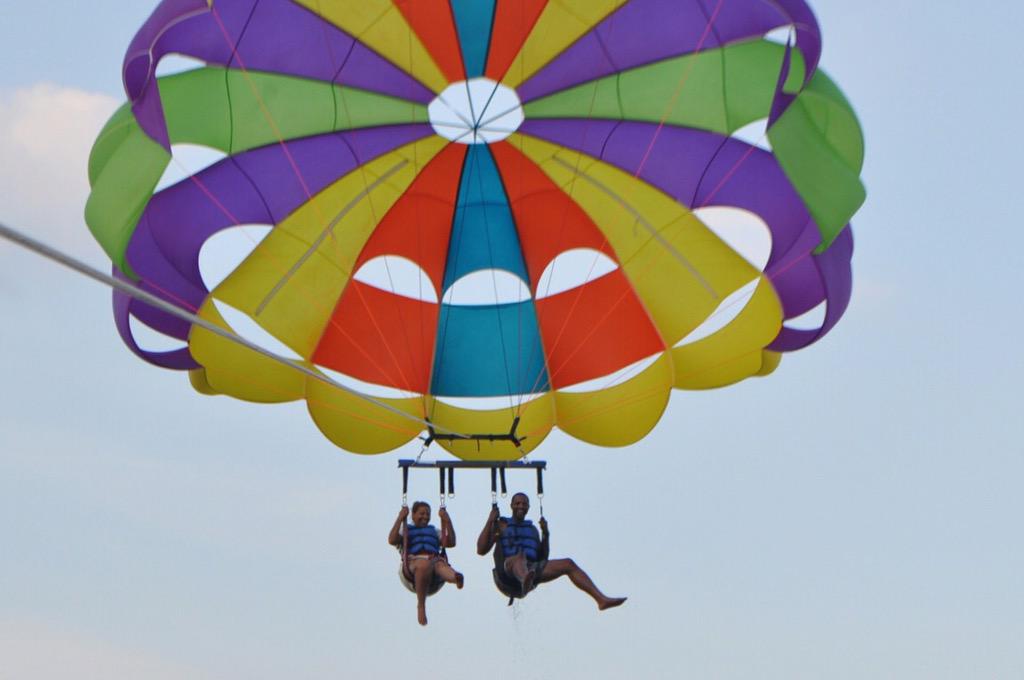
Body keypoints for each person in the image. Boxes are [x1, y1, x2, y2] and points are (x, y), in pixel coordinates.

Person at [476, 492, 626, 610]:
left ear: (528, 507)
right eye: (517, 503)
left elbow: (543, 557)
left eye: (524, 504)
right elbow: (481, 550)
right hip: (508, 575)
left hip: (531, 570)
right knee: (519, 557)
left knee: (568, 564)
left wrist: (546, 534)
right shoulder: (502, 524)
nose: (521, 506)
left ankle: (601, 600)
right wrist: (490, 520)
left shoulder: (533, 529)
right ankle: (524, 580)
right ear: (511, 505)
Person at [388, 501, 464, 625]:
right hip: (413, 563)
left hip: (433, 561)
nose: (425, 516)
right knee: (423, 565)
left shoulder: (434, 531)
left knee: (440, 565)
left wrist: (447, 520)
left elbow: (451, 542)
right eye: (421, 513)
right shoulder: (405, 530)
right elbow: (392, 539)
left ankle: (455, 578)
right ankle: (421, 606)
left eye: (428, 514)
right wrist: (400, 517)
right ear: (413, 515)